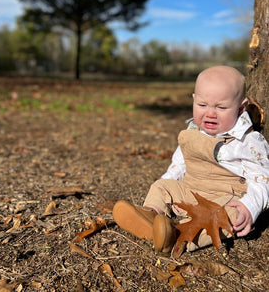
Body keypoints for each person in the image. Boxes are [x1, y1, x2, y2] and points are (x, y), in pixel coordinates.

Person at [113, 66, 269, 258]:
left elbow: (262, 179)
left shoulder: (248, 141)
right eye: (202, 105)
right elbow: (178, 166)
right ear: (194, 100)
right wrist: (167, 187)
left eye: (221, 107)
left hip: (223, 199)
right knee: (162, 185)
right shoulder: (192, 132)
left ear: (241, 108)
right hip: (192, 190)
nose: (210, 113)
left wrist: (250, 205)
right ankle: (151, 217)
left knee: (229, 217)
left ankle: (178, 237)